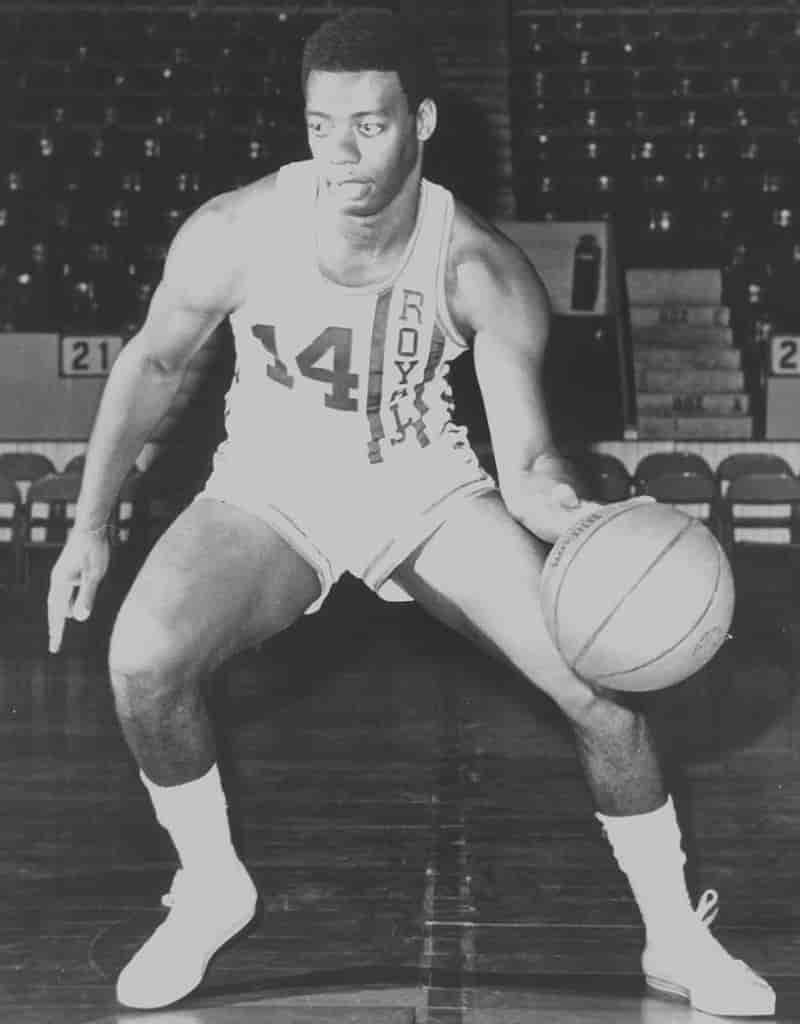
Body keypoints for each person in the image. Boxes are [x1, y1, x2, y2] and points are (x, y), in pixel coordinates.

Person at [46, 11, 775, 1017]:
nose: (340, 154)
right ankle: (212, 884)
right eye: (318, 126)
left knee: (601, 695)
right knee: (140, 661)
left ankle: (672, 938)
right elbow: (154, 362)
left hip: (422, 484)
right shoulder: (236, 228)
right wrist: (89, 521)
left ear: (421, 120)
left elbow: (520, 460)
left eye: (369, 125)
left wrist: (560, 512)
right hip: (271, 483)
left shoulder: (479, 264)